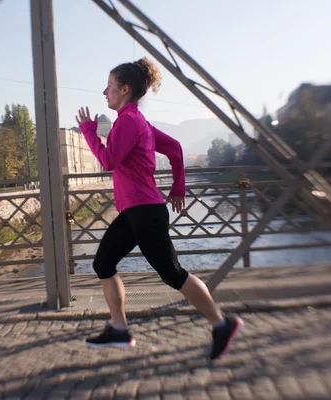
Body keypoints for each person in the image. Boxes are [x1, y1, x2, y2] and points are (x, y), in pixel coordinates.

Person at [75, 57, 242, 360]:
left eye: (110, 87)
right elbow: (175, 148)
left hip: (145, 211)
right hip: (134, 211)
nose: (104, 92)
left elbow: (108, 161)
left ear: (124, 89)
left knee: (173, 274)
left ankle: (222, 323)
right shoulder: (135, 121)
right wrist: (178, 186)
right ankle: (119, 329)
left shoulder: (128, 121)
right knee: (103, 264)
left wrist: (88, 131)